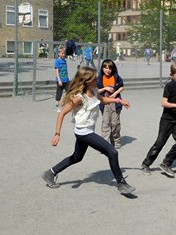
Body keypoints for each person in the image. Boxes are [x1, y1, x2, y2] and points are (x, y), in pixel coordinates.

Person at [40, 67, 135, 195]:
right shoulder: (79, 98)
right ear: (86, 81)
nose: (97, 80)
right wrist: (57, 134)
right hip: (83, 132)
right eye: (94, 78)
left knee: (77, 157)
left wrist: (119, 100)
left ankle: (50, 173)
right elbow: (62, 113)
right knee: (112, 152)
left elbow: (103, 100)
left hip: (87, 131)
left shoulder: (94, 91)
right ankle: (121, 183)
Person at [141, 62, 176, 177]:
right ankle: (146, 164)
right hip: (166, 120)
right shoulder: (169, 86)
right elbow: (164, 103)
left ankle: (166, 163)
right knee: (160, 143)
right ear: (171, 74)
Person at [97, 59, 124, 148]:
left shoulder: (116, 77)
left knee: (115, 123)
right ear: (102, 68)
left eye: (109, 68)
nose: (107, 70)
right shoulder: (100, 78)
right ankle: (105, 144)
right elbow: (96, 90)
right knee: (105, 123)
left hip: (115, 103)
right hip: (104, 103)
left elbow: (121, 87)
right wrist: (105, 88)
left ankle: (116, 140)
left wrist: (115, 93)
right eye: (105, 67)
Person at [54, 46, 70, 113]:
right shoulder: (57, 61)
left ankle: (68, 105)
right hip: (60, 80)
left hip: (66, 80)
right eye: (62, 53)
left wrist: (67, 78)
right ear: (59, 53)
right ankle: (56, 107)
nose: (63, 55)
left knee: (69, 92)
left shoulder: (65, 61)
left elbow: (66, 70)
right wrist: (59, 80)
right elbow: (57, 71)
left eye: (64, 53)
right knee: (59, 94)